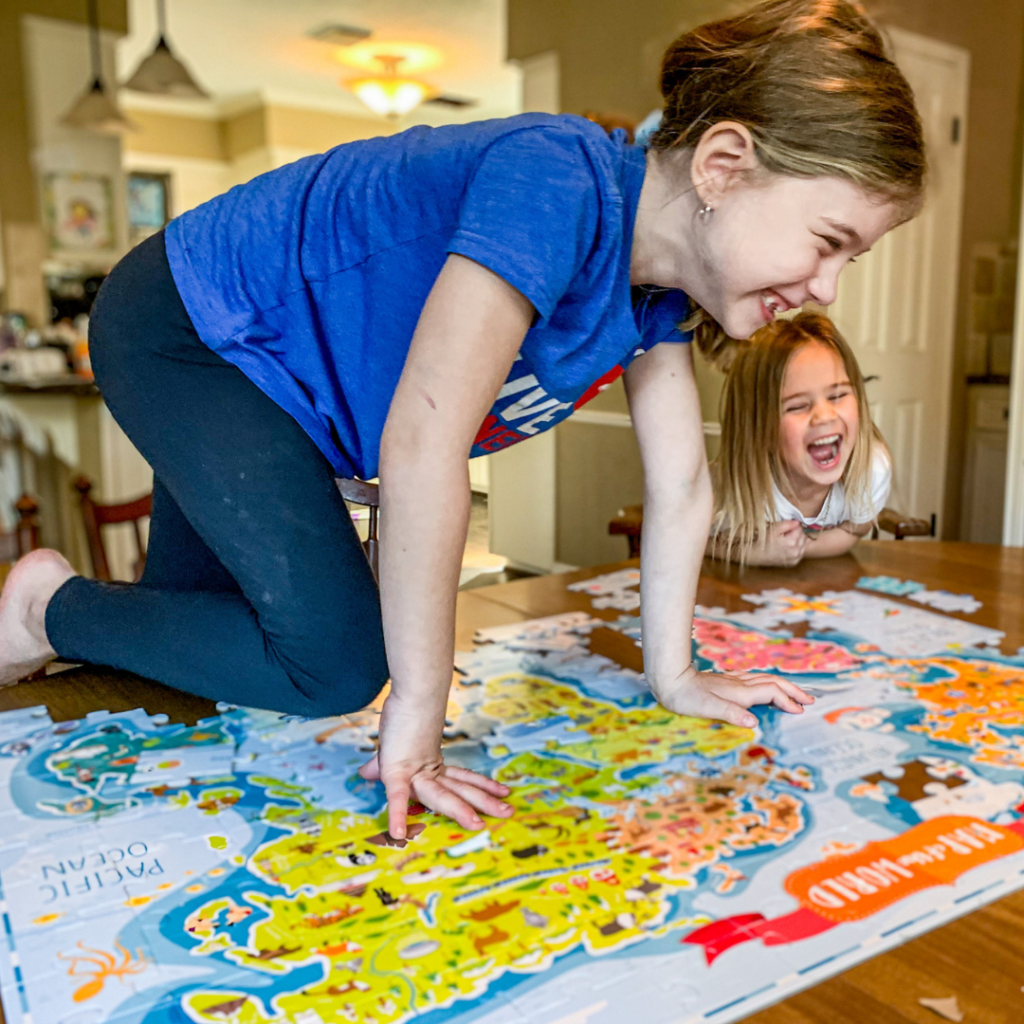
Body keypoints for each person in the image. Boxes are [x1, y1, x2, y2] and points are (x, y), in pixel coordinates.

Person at [0, 0, 924, 840]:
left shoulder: (656, 300)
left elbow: (681, 482)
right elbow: (424, 443)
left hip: (262, 376)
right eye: (828, 242)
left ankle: (59, 627)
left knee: (193, 657)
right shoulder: (558, 181)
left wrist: (674, 673)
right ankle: (47, 606)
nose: (827, 287)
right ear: (723, 167)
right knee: (337, 665)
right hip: (192, 329)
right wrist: (419, 714)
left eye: (849, 259)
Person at [708, 312, 892, 566]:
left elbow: (853, 530)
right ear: (758, 429)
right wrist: (748, 553)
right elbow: (682, 542)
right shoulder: (721, 488)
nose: (825, 416)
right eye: (797, 406)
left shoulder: (872, 470)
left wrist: (795, 550)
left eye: (837, 395)